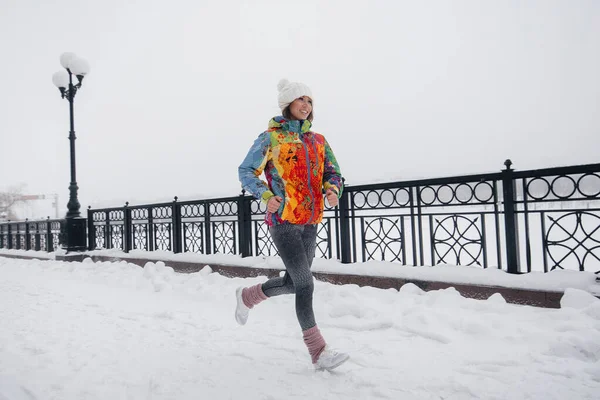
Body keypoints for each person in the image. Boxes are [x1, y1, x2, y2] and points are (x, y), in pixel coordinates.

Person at [236, 78, 349, 371]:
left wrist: (332, 190)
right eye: (300, 100)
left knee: (293, 282)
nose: (306, 105)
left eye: (309, 101)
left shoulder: (319, 141)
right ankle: (318, 351)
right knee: (305, 283)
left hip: (310, 220)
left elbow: (333, 173)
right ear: (287, 104)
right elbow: (247, 170)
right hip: (283, 219)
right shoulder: (271, 138)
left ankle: (249, 296)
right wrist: (265, 195)